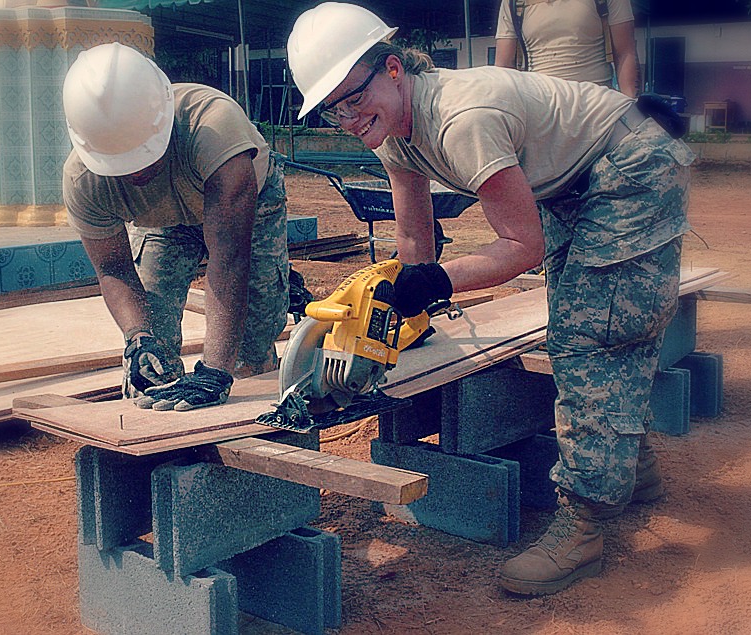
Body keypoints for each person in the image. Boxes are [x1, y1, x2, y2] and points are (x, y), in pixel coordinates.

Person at [287, 3, 694, 595]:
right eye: (333, 109)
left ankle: (584, 523)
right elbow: (413, 241)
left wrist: (437, 284)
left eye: (353, 97)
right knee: (592, 319)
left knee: (591, 333)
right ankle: (628, 467)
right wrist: (401, 311)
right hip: (576, 178)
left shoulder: (460, 119)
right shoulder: (392, 132)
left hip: (629, 165)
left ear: (394, 69)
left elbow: (520, 246)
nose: (348, 118)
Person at [62, 42, 289, 411]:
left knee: (252, 338)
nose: (136, 172)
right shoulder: (83, 180)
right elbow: (113, 269)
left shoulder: (215, 126)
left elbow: (228, 260)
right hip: (165, 223)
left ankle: (252, 431)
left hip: (247, 203)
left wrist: (215, 371)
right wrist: (138, 339)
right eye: (121, 163)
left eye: (142, 155)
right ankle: (161, 436)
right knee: (153, 344)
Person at [494, 0, 641, 97]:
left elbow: (625, 52)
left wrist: (631, 103)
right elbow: (504, 66)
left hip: (595, 101)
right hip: (539, 103)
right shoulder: (513, 2)